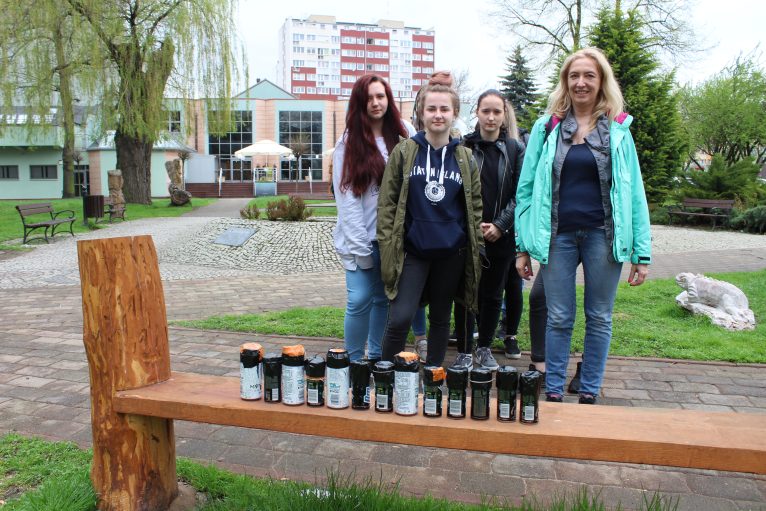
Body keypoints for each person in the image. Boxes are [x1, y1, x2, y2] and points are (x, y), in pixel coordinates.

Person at [515, 47, 651, 404]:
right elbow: (525, 190)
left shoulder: (618, 131)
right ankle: (554, 391)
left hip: (602, 237)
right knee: (559, 316)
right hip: (557, 236)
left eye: (589, 75)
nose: (581, 82)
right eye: (574, 76)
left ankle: (589, 391)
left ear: (601, 81)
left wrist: (641, 253)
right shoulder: (547, 128)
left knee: (599, 316)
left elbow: (634, 193)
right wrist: (522, 247)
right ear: (565, 82)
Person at [378, 83, 483, 367]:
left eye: (444, 109)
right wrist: (388, 247)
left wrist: (473, 245)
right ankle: (387, 375)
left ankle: (434, 376)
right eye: (431, 108)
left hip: (451, 253)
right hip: (412, 251)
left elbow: (474, 206)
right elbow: (387, 204)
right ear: (421, 113)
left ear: (455, 113)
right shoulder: (404, 152)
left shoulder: (465, 158)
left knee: (440, 318)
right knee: (400, 318)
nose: (438, 114)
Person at [332, 74, 414, 362]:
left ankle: (377, 358)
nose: (376, 103)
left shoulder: (405, 133)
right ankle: (354, 362)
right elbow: (347, 200)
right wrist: (361, 249)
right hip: (361, 239)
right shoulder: (348, 143)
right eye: (369, 98)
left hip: (392, 239)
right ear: (359, 103)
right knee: (359, 299)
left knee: (383, 299)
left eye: (381, 96)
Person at [452, 90, 525, 371]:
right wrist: (472, 226)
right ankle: (464, 351)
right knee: (465, 295)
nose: (491, 117)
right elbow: (455, 191)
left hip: (501, 236)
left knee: (494, 295)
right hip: (466, 235)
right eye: (486, 111)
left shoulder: (515, 149)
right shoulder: (463, 147)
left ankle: (484, 348)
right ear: (477, 113)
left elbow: (521, 193)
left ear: (504, 114)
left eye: (497, 111)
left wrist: (500, 225)